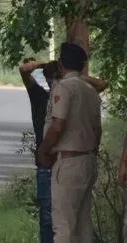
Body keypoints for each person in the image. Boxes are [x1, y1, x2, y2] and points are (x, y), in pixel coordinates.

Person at [21, 58, 108, 243]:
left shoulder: (71, 94)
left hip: (67, 160)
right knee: (49, 217)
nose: (54, 82)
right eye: (51, 79)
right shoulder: (39, 95)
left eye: (57, 78)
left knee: (72, 219)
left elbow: (102, 84)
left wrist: (73, 75)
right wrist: (45, 63)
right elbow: (24, 70)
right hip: (47, 163)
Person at [38, 43, 101, 243]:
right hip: (88, 159)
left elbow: (58, 125)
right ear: (83, 66)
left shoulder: (64, 87)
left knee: (63, 225)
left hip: (68, 161)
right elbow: (97, 130)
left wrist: (43, 150)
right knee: (83, 223)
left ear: (61, 64)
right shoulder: (91, 90)